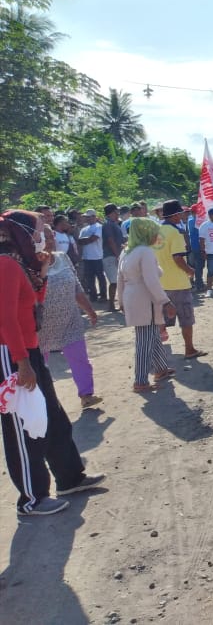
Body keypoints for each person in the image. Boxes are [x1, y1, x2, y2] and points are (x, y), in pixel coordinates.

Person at [0, 210, 105, 515]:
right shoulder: (5, 265)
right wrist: (22, 362)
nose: (42, 236)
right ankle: (31, 499)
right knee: (22, 427)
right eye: (37, 230)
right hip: (13, 354)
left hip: (29, 350)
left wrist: (43, 272)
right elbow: (5, 318)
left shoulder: (20, 264)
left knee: (53, 418)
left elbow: (34, 305)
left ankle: (70, 478)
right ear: (21, 234)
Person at [38, 225, 103, 408]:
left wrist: (90, 310)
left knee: (80, 358)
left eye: (51, 236)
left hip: (70, 321)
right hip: (41, 326)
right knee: (39, 366)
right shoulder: (30, 264)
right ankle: (43, 404)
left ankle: (86, 394)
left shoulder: (62, 257)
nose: (50, 241)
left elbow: (76, 287)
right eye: (44, 237)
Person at [117, 218, 178, 391]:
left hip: (131, 296)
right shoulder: (145, 251)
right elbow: (151, 281)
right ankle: (140, 381)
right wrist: (166, 301)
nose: (157, 236)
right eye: (154, 232)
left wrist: (121, 300)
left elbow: (119, 279)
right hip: (144, 299)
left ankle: (161, 369)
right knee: (144, 341)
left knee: (152, 335)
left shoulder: (126, 251)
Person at [156, 200, 205, 359]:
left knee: (161, 319)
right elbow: (177, 258)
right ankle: (189, 349)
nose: (182, 216)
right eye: (181, 213)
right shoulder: (175, 233)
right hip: (178, 283)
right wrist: (189, 270)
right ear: (176, 215)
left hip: (161, 283)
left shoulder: (156, 232)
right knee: (186, 319)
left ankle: (157, 353)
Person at [101, 203, 126, 312]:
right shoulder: (108, 224)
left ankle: (119, 304)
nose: (118, 213)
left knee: (118, 281)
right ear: (112, 212)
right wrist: (117, 255)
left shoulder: (113, 224)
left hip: (114, 255)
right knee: (114, 281)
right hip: (110, 256)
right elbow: (110, 241)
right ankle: (111, 305)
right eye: (116, 211)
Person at [77, 208, 105, 301]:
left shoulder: (98, 227)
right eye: (86, 217)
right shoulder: (84, 229)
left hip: (97, 256)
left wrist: (86, 240)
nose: (87, 219)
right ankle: (93, 296)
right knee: (90, 278)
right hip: (87, 257)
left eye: (89, 217)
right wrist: (88, 239)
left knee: (100, 277)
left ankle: (103, 295)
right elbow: (79, 241)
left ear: (94, 217)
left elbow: (94, 238)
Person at [197, 207, 213, 295]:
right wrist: (203, 251)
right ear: (209, 215)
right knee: (211, 272)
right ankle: (209, 290)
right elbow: (201, 240)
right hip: (211, 253)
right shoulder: (204, 225)